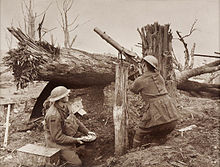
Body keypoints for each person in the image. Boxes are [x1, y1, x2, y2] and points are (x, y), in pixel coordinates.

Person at [130, 55, 179, 148]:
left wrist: (137, 75)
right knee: (158, 135)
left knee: (140, 132)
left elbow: (133, 90)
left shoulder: (140, 80)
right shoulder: (159, 77)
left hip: (156, 113)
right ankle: (154, 147)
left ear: (144, 66)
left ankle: (133, 152)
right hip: (172, 117)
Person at [44, 86, 96, 167]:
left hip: (67, 137)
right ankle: (61, 160)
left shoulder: (66, 105)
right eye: (66, 95)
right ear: (60, 98)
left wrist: (87, 132)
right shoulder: (53, 115)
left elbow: (76, 121)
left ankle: (73, 151)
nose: (68, 96)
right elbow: (57, 138)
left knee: (89, 146)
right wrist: (76, 140)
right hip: (56, 144)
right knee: (76, 164)